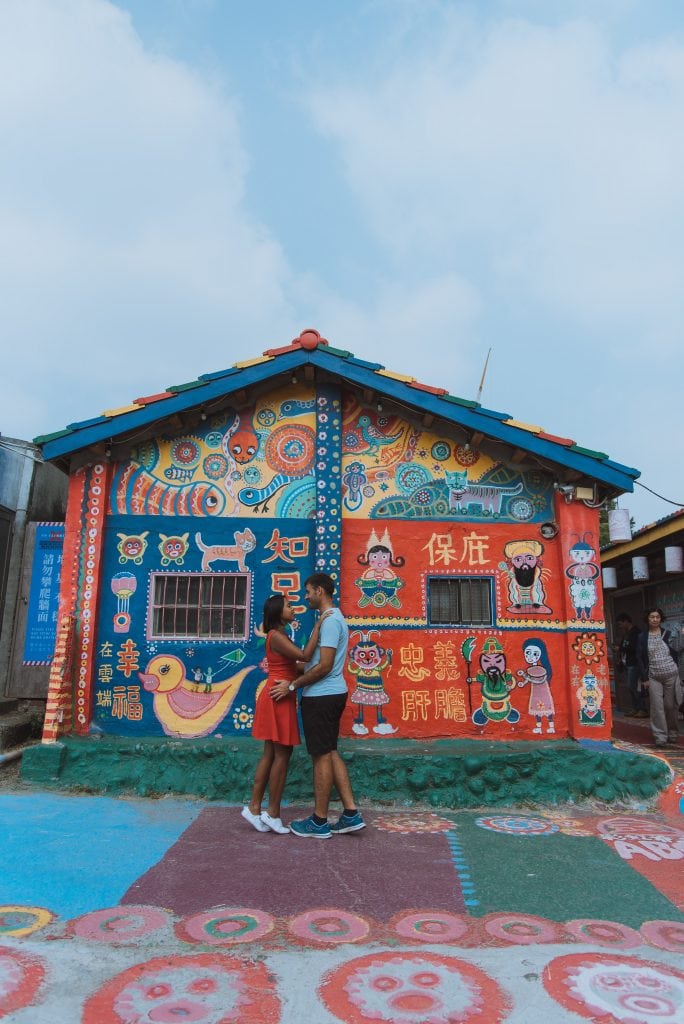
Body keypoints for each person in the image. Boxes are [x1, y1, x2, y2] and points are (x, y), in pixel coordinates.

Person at [270, 572, 365, 839]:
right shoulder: (327, 619)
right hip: (329, 694)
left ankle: (320, 821)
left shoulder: (331, 621)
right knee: (330, 751)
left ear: (320, 591)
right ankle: (350, 813)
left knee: (321, 756)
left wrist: (292, 686)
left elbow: (324, 666)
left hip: (322, 697)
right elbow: (313, 662)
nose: (306, 597)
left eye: (309, 592)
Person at [242, 595, 329, 834]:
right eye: (289, 606)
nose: (293, 609)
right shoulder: (277, 636)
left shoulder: (278, 636)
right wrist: (318, 627)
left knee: (271, 753)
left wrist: (315, 669)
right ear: (278, 612)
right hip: (278, 696)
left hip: (278, 694)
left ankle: (254, 808)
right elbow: (304, 656)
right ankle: (273, 813)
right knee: (282, 754)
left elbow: (293, 666)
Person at [636, 607, 680, 748]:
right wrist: (644, 678)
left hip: (672, 675)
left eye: (657, 617)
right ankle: (660, 737)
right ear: (647, 619)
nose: (655, 619)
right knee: (657, 707)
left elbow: (677, 652)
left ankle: (673, 733)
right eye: (652, 617)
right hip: (653, 677)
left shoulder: (668, 634)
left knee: (670, 706)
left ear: (661, 619)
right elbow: (639, 658)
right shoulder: (642, 637)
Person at [613, 613, 646, 717]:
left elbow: (636, 648)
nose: (620, 627)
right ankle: (635, 708)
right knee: (631, 687)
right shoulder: (627, 633)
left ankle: (642, 709)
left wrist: (620, 648)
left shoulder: (636, 633)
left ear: (626, 621)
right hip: (627, 663)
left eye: (620, 624)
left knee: (634, 686)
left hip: (634, 664)